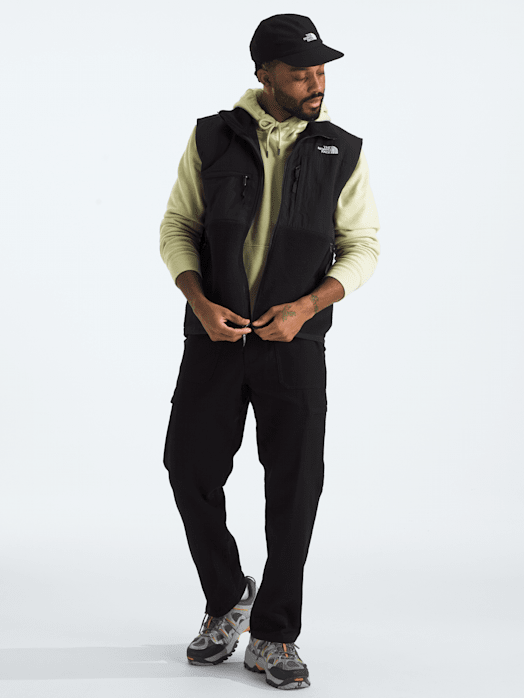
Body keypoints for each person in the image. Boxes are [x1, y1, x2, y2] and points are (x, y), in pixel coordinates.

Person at [159, 13, 380, 690]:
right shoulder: (212, 137)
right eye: (301, 72)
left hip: (295, 346)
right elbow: (178, 226)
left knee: (294, 485)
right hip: (214, 339)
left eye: (321, 71)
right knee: (188, 467)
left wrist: (306, 308)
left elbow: (362, 247)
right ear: (264, 74)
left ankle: (276, 634)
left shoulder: (341, 151)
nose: (317, 83)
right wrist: (200, 302)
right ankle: (229, 596)